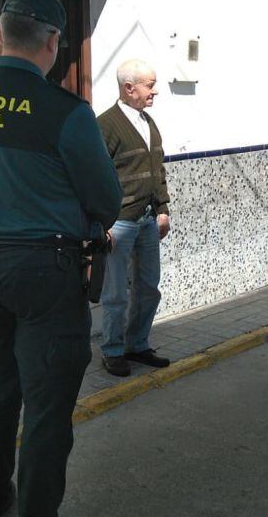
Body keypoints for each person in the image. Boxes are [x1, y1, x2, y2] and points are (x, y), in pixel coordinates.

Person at [0, 0, 122, 517]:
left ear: (0, 32)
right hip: (45, 271)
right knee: (45, 409)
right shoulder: (64, 111)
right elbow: (105, 199)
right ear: (53, 40)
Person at [96, 59, 173, 376]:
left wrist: (163, 208)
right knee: (115, 293)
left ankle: (137, 345)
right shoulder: (105, 126)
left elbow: (158, 170)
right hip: (119, 223)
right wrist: (101, 222)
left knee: (148, 287)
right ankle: (113, 350)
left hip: (148, 221)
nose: (155, 91)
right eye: (149, 85)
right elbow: (95, 177)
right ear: (129, 88)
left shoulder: (148, 122)